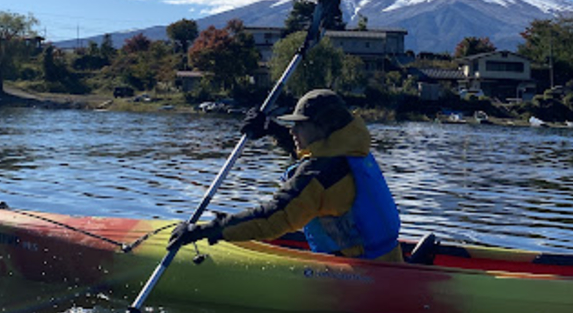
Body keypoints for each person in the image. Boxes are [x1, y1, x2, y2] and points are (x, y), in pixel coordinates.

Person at [167, 89, 404, 263]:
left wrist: (206, 231)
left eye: (300, 125)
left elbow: (274, 217)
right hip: (391, 260)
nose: (293, 130)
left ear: (323, 127)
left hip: (362, 274)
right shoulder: (354, 150)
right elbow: (318, 157)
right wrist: (271, 129)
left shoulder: (319, 175)